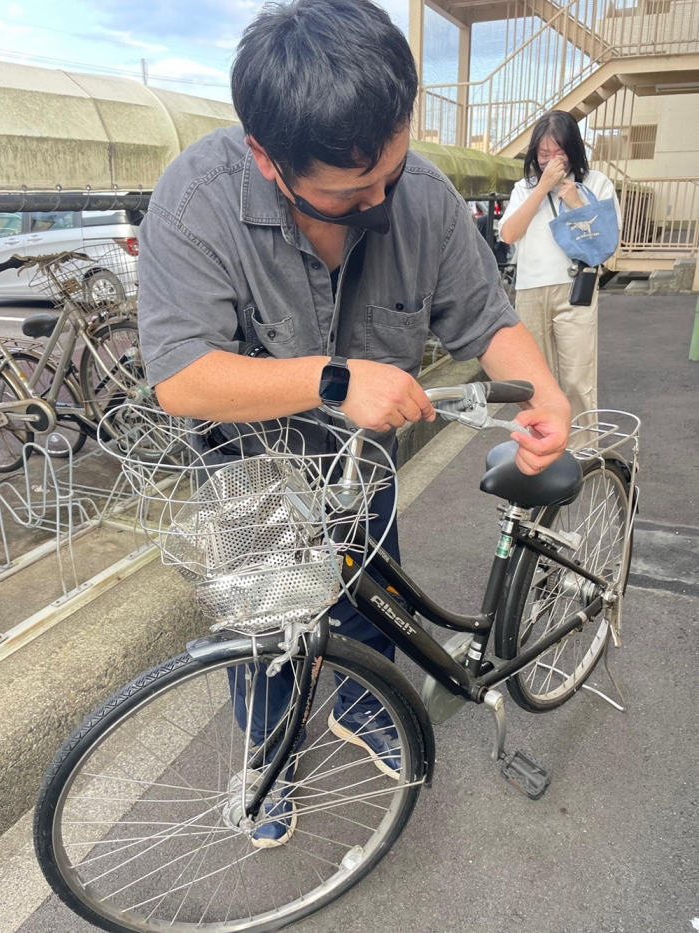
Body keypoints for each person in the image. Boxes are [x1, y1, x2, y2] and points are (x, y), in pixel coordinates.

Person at [137, 0, 571, 846]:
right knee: (267, 634)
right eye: (349, 191)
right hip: (251, 474)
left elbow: (488, 322)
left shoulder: (421, 197)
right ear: (267, 156)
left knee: (378, 598)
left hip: (362, 467)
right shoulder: (196, 198)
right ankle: (270, 754)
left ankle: (370, 711)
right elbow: (181, 378)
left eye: (392, 172)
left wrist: (545, 394)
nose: (379, 200)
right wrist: (334, 381)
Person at [499, 110, 621, 422]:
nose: (551, 160)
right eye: (543, 154)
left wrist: (578, 203)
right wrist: (542, 187)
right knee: (536, 380)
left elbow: (607, 241)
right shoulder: (524, 188)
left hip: (575, 289)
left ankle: (583, 453)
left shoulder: (596, 183)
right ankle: (544, 445)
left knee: (577, 376)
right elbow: (509, 233)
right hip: (530, 289)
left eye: (559, 152)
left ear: (573, 149)